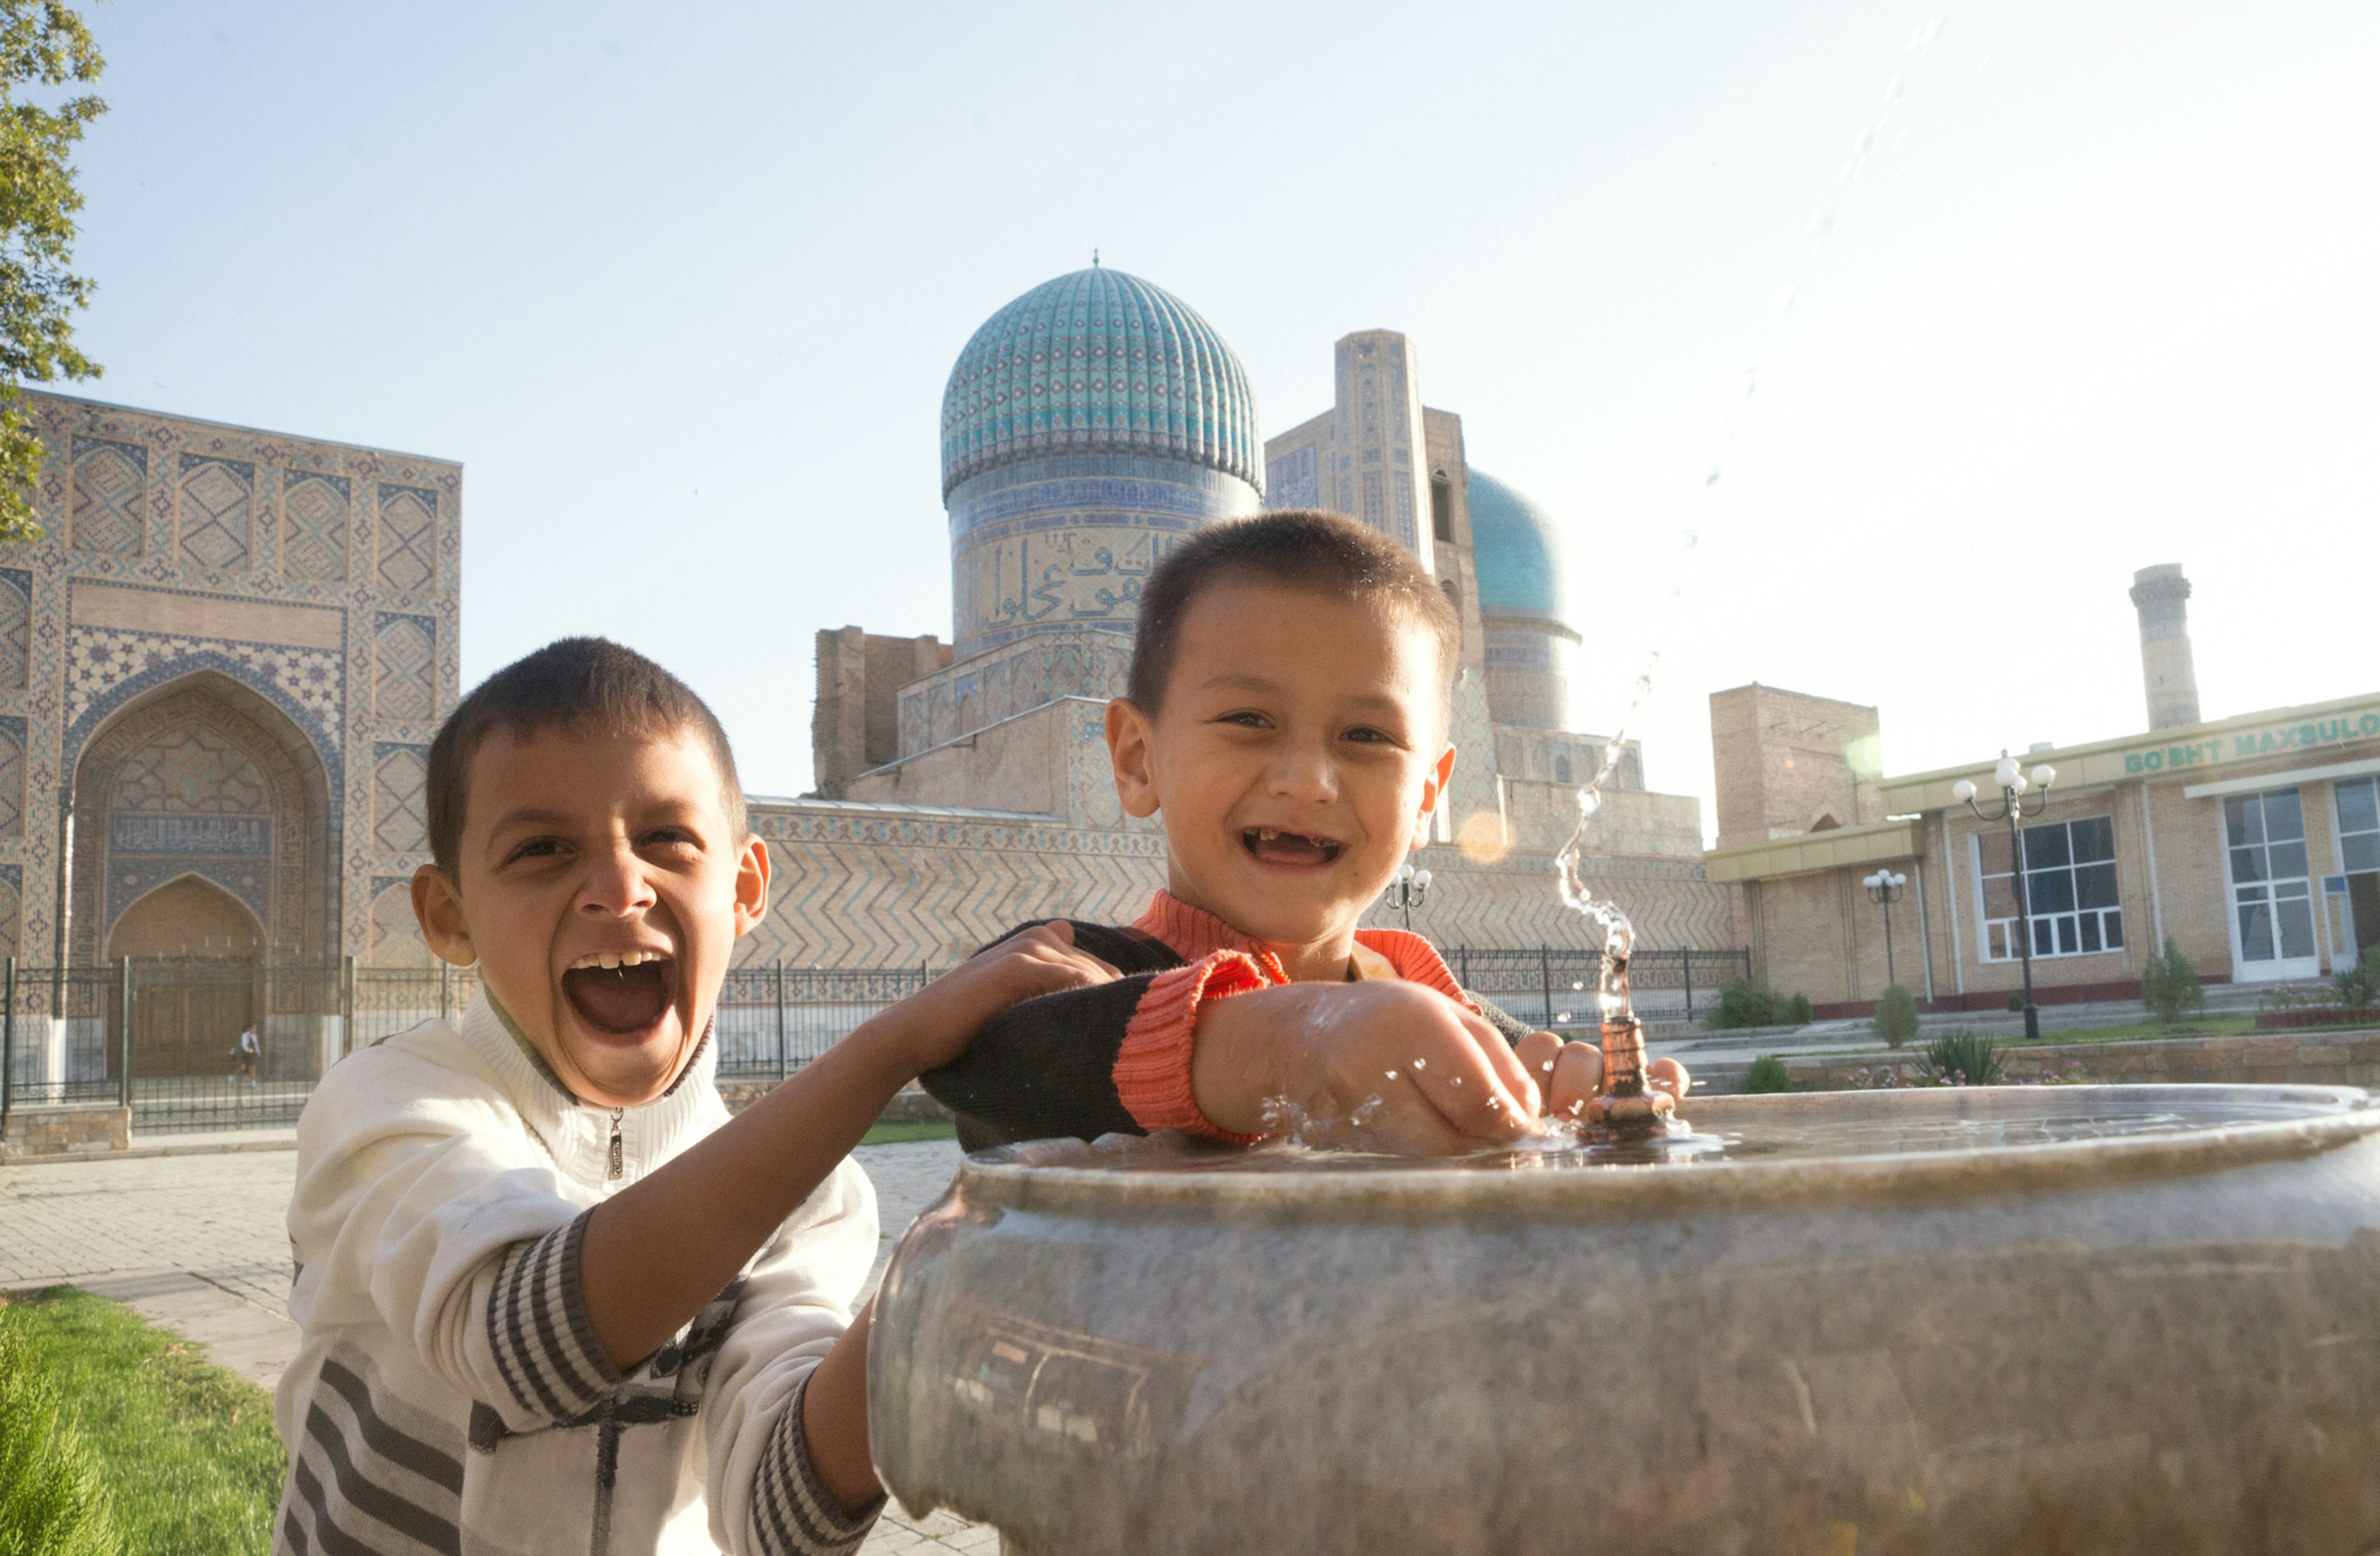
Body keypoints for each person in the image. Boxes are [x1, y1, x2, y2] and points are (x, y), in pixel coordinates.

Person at [272, 639, 1114, 1556]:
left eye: (668, 838)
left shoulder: (817, 1205)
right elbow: (522, 1342)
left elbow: (780, 1512)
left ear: (746, 886)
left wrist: (984, 1237)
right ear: (450, 914)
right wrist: (892, 1045)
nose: (619, 887)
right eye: (543, 848)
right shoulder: (393, 1105)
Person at [924, 511, 1689, 1155]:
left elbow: (1543, 1100)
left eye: (1366, 735)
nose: (1307, 780)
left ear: (1427, 795)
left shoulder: (1446, 1018)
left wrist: (1590, 1096)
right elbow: (992, 1058)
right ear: (1135, 758)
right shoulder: (1074, 973)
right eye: (1248, 720)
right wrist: (1299, 1039)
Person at [233, 1023, 262, 1089]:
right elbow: (244, 1045)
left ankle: (253, 1083)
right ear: (249, 1029)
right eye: (254, 1028)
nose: (255, 1030)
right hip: (245, 1053)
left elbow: (256, 1044)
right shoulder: (245, 1035)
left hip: (252, 1053)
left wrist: (258, 1051)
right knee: (242, 1067)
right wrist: (249, 1050)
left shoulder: (255, 1036)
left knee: (253, 1068)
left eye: (256, 1028)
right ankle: (232, 1077)